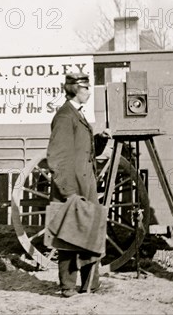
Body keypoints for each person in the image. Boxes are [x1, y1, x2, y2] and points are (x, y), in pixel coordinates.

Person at [45, 72, 110, 298]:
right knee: (69, 236)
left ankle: (90, 284)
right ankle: (68, 287)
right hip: (72, 187)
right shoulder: (65, 116)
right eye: (85, 89)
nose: (89, 92)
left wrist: (100, 140)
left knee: (88, 233)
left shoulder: (76, 114)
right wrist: (68, 191)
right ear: (74, 90)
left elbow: (85, 152)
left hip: (85, 185)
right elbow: (57, 157)